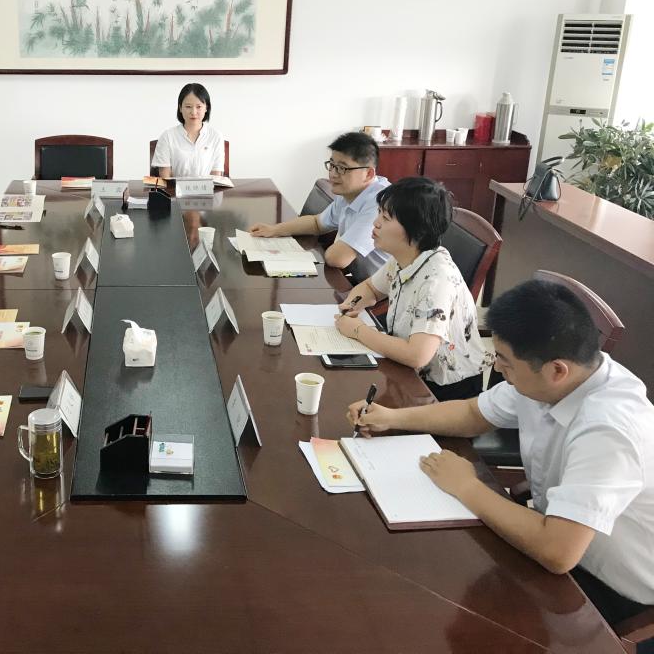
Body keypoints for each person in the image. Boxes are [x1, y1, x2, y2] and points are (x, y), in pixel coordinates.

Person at [348, 279, 654, 636]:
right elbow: (472, 413)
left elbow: (558, 552)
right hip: (555, 530)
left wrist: (468, 486)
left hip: (609, 582)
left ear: (557, 371)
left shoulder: (609, 429)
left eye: (505, 362)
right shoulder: (560, 377)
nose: (497, 367)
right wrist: (392, 418)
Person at [335, 177, 488, 401]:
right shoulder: (404, 257)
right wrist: (352, 304)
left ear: (417, 231)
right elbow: (370, 288)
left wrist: (358, 330)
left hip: (445, 390)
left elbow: (417, 355)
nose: (375, 223)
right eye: (379, 213)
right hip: (410, 373)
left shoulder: (436, 281)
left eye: (386, 218)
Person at [249, 131, 390, 272]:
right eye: (332, 165)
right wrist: (274, 230)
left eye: (341, 168)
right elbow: (317, 223)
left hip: (379, 285)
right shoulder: (349, 192)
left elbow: (338, 258)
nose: (333, 174)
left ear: (368, 174)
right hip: (357, 278)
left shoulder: (380, 203)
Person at [151, 83, 225, 179]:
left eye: (199, 107)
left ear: (206, 108)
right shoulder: (167, 136)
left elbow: (216, 177)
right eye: (188, 106)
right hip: (175, 188)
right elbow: (165, 178)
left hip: (208, 188)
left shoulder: (216, 136)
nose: (193, 112)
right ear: (180, 108)